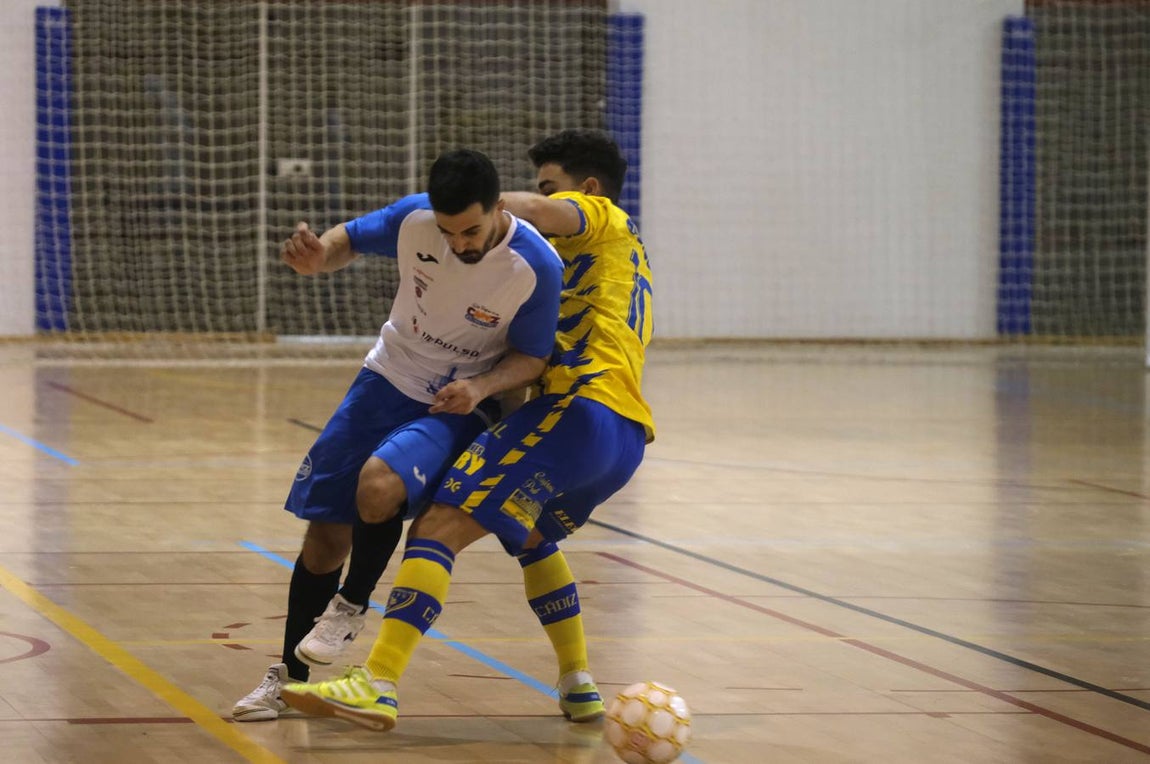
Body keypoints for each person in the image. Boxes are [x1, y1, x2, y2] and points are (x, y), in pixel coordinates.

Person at [280, 128, 655, 732]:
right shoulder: (616, 261)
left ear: (585, 190)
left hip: (576, 409)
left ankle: (377, 683)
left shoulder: (597, 217)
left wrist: (470, 203)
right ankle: (578, 680)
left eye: (547, 186)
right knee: (527, 534)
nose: (539, 196)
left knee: (439, 523)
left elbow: (533, 213)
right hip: (623, 434)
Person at [233, 148, 580, 721]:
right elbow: (348, 237)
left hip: (461, 400)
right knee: (324, 538)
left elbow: (533, 359)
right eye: (449, 232)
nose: (460, 244)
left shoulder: (536, 266)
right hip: (386, 376)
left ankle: (352, 604)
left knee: (379, 485)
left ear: (498, 208)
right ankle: (289, 681)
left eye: (471, 230)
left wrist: (481, 388)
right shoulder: (416, 219)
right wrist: (321, 257)